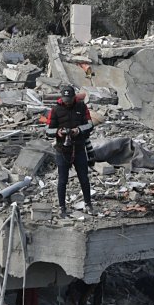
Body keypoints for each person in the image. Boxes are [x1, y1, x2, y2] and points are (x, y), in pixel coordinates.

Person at [46, 85, 95, 214]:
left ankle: (88, 204)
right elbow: (47, 130)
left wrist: (78, 130)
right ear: (61, 98)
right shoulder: (55, 110)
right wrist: (58, 132)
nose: (67, 102)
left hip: (78, 148)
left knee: (84, 178)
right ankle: (62, 207)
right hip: (62, 150)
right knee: (62, 180)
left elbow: (90, 125)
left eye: (69, 99)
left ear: (74, 97)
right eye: (65, 99)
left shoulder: (82, 107)